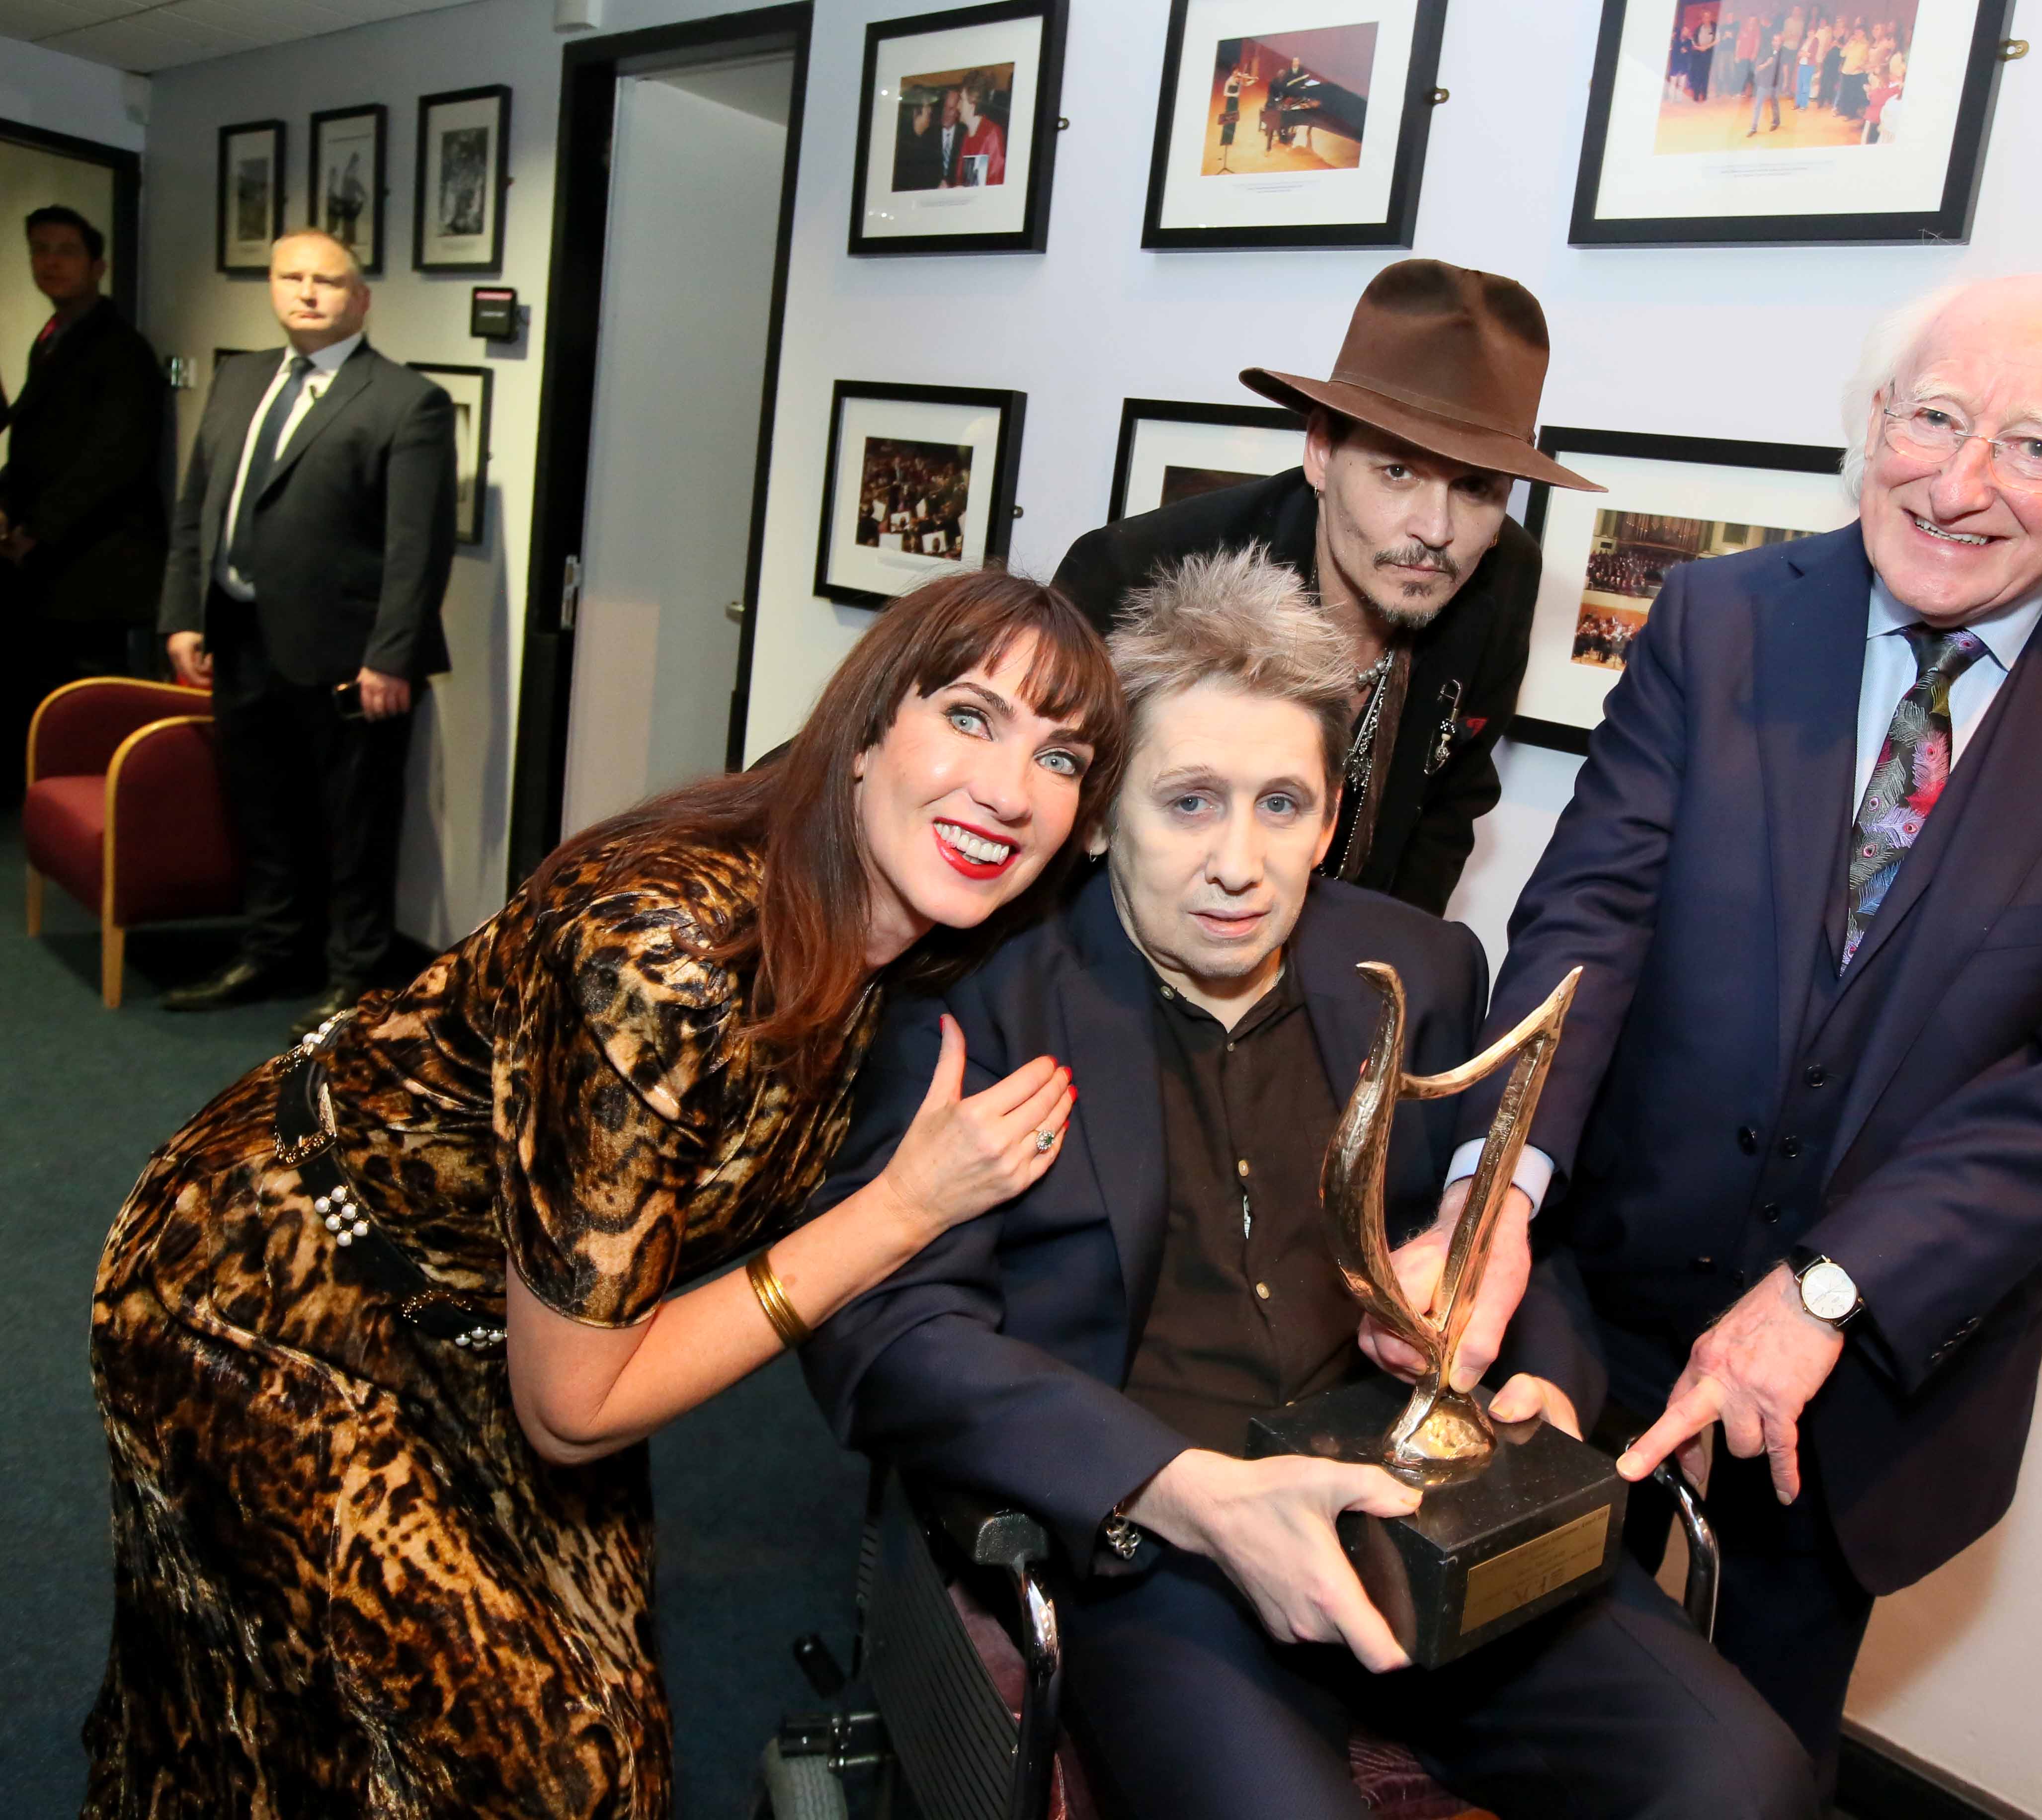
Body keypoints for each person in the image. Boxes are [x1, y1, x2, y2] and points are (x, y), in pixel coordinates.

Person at [85, 571, 1126, 1819]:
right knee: (502, 1762)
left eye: (1062, 759)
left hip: (509, 1319)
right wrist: (901, 1210)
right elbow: (579, 1412)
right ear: (861, 736)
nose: (1012, 791)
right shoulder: (664, 955)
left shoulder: (896, 936)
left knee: (605, 1758)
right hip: (266, 1296)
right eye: (970, 717)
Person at [800, 549, 1815, 1820]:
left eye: (1283, 805)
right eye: (1190, 803)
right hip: (1168, 1544)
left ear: (1331, 817)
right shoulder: (979, 999)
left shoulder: (1420, 967)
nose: (1240, 862)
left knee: (1743, 1781)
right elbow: (893, 1335)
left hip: (1424, 1507)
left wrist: (1546, 1378)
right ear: (1104, 812)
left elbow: (1502, 1222)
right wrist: (1181, 1492)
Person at [1419, 277, 2042, 1799]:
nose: (1953, 483)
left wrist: (1824, 1290)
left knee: (1746, 1761)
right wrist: (1494, 1196)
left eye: (2029, 446)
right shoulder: (1719, 619)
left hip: (1862, 1388)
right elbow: (1585, 925)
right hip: (1585, 1316)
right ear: (1869, 423)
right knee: (1490, 1720)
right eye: (1930, 418)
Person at [1053, 258, 1603, 916]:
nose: (1436, 530)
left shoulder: (1503, 572)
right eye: (1397, 472)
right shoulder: (1135, 572)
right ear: (1320, 451)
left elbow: (1450, 805)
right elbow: (1053, 809)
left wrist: (1384, 973)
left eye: (1476, 488)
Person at [156, 230, 454, 1026]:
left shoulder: (405, 401)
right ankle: (269, 951)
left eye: (327, 280)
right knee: (258, 807)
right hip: (240, 638)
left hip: (351, 662)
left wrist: (390, 658)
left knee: (355, 824)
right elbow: (197, 511)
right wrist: (183, 615)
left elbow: (415, 551)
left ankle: (355, 979)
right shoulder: (240, 378)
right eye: (291, 276)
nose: (307, 292)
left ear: (360, 300)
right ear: (274, 287)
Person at [0, 205, 167, 776]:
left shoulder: (119, 349)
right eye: (39, 249)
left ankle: (93, 819)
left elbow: (111, 461)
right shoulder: (54, 336)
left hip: (95, 567)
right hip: (54, 562)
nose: (49, 262)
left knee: (85, 705)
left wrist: (35, 530)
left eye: (65, 251)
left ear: (98, 265)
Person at [951, 68, 1007, 187]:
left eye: (961, 100)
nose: (958, 106)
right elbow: (966, 182)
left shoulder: (991, 133)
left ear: (973, 101)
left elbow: (996, 183)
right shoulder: (967, 135)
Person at [893, 87, 945, 191]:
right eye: (927, 106)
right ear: (915, 112)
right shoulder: (901, 148)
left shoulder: (931, 141)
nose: (931, 110)